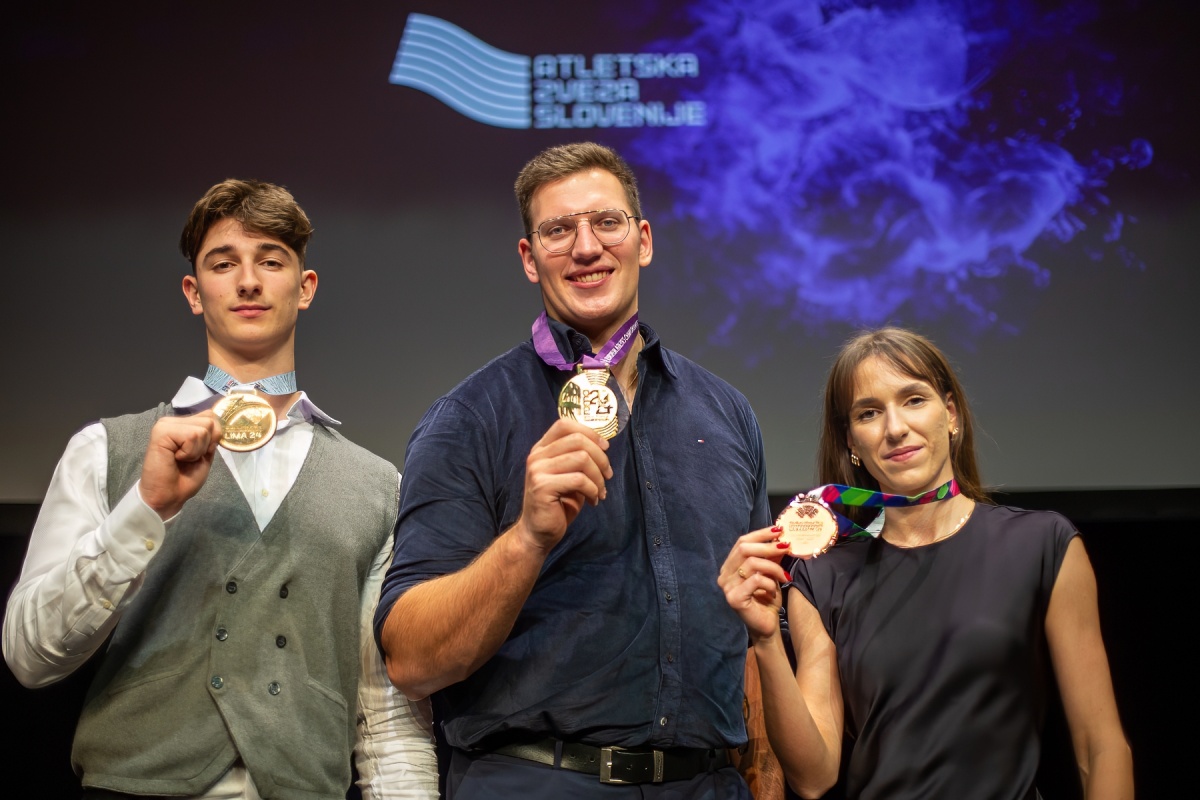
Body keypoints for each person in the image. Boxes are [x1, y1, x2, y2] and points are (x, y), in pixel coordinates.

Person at [2, 179, 438, 799]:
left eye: (271, 261)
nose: (249, 281)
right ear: (193, 292)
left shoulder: (377, 485)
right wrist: (145, 510)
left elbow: (387, 716)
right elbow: (29, 655)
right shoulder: (105, 450)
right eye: (224, 263)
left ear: (305, 288)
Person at [374, 141, 772, 799]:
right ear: (530, 259)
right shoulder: (469, 418)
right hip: (537, 781)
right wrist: (527, 537)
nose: (586, 247)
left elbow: (754, 626)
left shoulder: (727, 413)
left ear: (642, 240)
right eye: (559, 230)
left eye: (607, 223)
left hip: (706, 784)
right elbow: (411, 660)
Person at [720, 327, 1134, 799]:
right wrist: (768, 641)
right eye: (869, 413)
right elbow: (814, 778)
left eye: (913, 399)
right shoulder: (822, 576)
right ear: (852, 442)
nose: (895, 428)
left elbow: (1099, 747)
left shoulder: (1045, 545)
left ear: (951, 414)